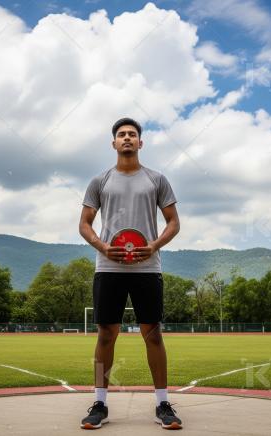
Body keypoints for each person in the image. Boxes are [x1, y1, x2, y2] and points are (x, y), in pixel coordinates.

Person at [78, 117, 182, 430]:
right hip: (108, 266)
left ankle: (163, 403)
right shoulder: (100, 181)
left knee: (153, 333)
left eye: (132, 134)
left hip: (147, 268)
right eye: (121, 134)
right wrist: (100, 245)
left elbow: (173, 222)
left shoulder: (157, 179)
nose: (127, 138)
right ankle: (99, 402)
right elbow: (84, 223)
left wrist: (153, 246)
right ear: (113, 143)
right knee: (106, 334)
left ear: (140, 142)